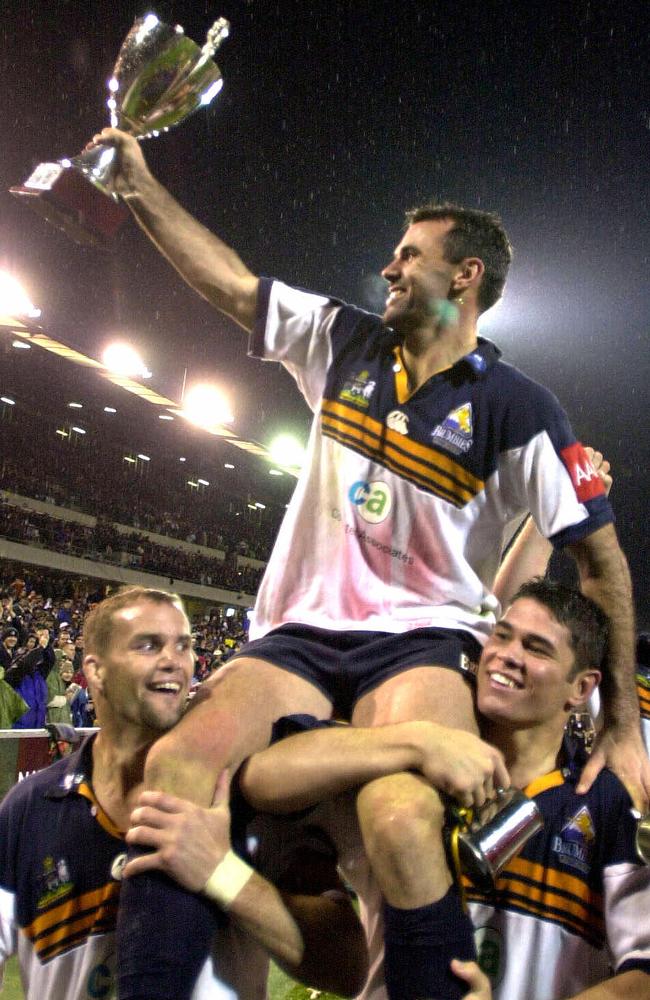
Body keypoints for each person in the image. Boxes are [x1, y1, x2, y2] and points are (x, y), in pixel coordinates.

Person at [87, 127, 648, 999]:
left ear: (464, 277)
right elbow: (231, 283)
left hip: (422, 643)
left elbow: (602, 563)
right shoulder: (341, 342)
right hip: (297, 637)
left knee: (402, 813)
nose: (388, 270)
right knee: (175, 769)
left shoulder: (522, 408)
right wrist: (138, 186)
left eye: (408, 255)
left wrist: (621, 725)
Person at [131, 579, 650, 1000]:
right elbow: (260, 776)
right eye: (502, 636)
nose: (506, 656)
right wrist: (416, 741)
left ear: (581, 688)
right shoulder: (402, 750)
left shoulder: (608, 803)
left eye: (534, 649)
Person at [0, 586, 367, 1000]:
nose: (174, 662)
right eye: (148, 645)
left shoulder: (244, 791)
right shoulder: (28, 807)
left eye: (184, 646)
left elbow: (347, 968)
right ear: (95, 670)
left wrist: (223, 873)